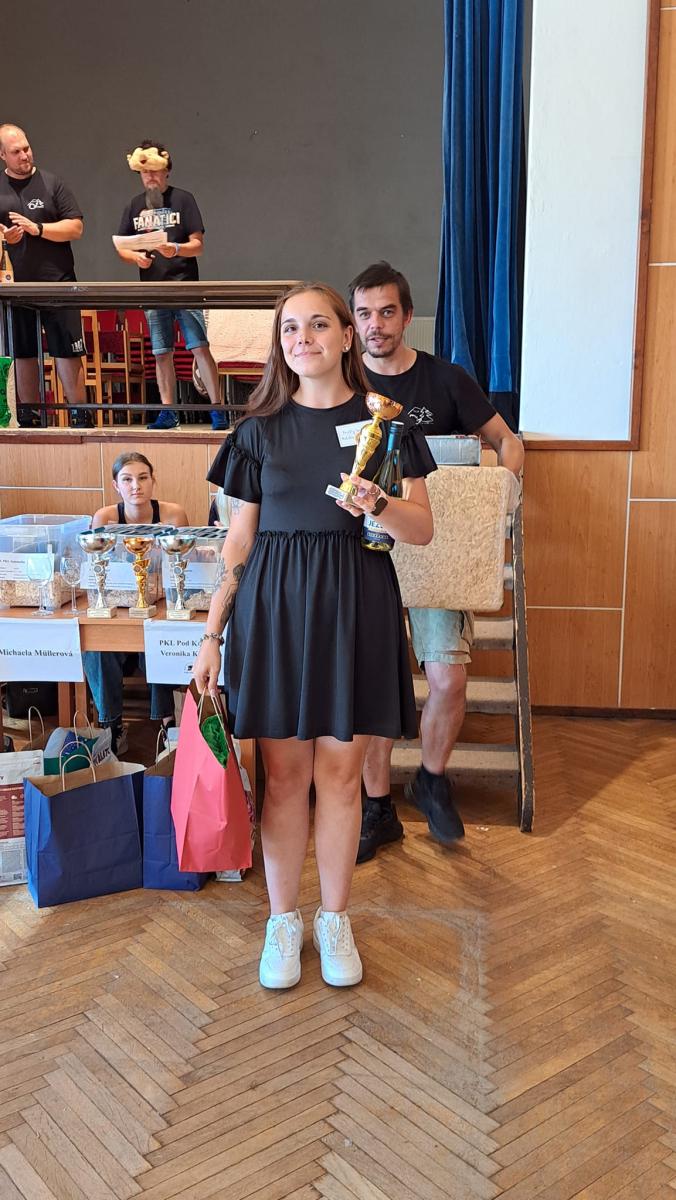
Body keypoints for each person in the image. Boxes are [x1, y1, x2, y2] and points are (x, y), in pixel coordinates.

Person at [195, 282, 435, 991]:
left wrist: (379, 501)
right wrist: (212, 634)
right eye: (291, 328)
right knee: (284, 779)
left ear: (346, 336)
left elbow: (421, 530)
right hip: (273, 612)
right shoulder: (256, 431)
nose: (304, 338)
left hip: (354, 606)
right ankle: (282, 920)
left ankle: (334, 918)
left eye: (319, 325)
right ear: (281, 343)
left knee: (339, 776)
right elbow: (238, 542)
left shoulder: (386, 426)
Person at [348, 261, 524, 861]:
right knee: (373, 685)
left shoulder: (446, 379)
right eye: (364, 314)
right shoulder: (340, 385)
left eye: (387, 312)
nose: (376, 324)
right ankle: (377, 808)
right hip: (363, 553)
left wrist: (500, 493)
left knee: (448, 677)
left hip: (438, 550)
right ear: (353, 322)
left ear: (407, 316)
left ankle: (430, 778)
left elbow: (507, 441)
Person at [82, 452, 189, 754]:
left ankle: (168, 723)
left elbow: (183, 566)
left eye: (143, 478)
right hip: (120, 606)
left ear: (153, 481)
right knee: (97, 646)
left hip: (160, 604)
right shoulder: (104, 518)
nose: (136, 486)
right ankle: (112, 726)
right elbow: (98, 571)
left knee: (162, 638)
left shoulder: (172, 515)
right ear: (116, 485)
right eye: (127, 480)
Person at [115, 140, 225, 432]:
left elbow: (198, 245)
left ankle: (217, 408)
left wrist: (175, 249)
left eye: (155, 171)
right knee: (161, 352)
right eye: (144, 172)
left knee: (199, 347)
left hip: (184, 286)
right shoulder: (135, 206)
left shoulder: (183, 200)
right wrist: (136, 258)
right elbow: (122, 246)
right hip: (153, 290)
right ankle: (168, 411)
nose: (150, 177)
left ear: (166, 171)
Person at [0, 123, 89, 427]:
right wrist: (5, 238)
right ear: (3, 156)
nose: (24, 155)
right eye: (16, 152)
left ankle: (80, 414)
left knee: (67, 350)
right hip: (17, 289)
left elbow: (76, 227)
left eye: (26, 148)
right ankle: (29, 416)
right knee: (23, 353)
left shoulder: (52, 184)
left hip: (58, 282)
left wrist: (37, 229)